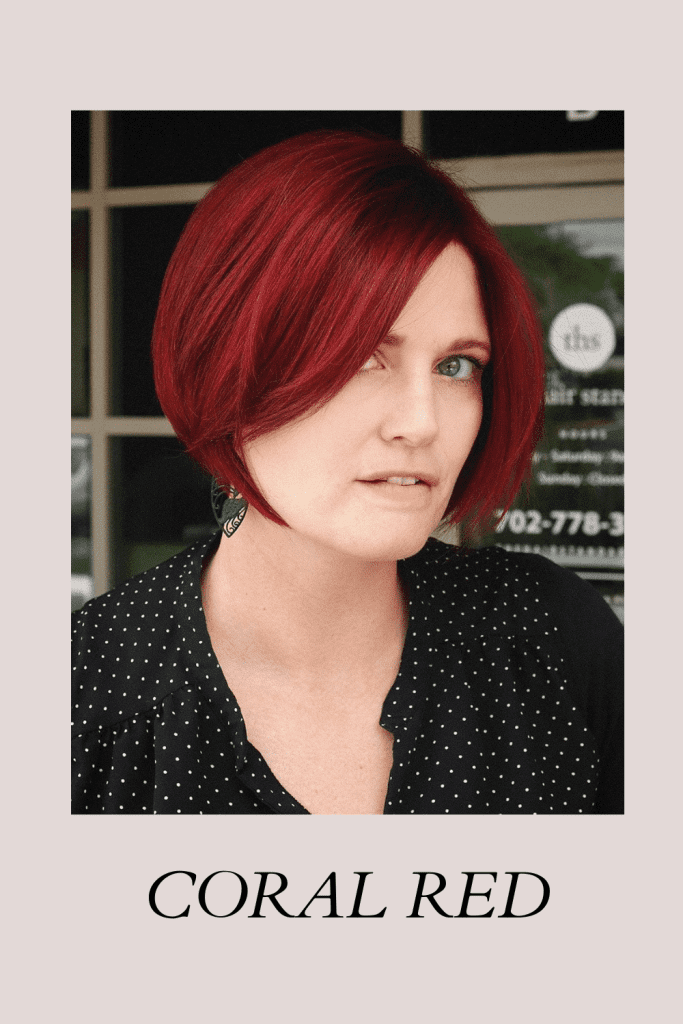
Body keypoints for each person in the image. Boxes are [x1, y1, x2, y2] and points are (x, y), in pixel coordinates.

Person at [72, 130, 623, 815]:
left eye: (456, 367)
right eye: (365, 356)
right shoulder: (83, 690)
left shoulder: (551, 639)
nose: (420, 423)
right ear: (226, 361)